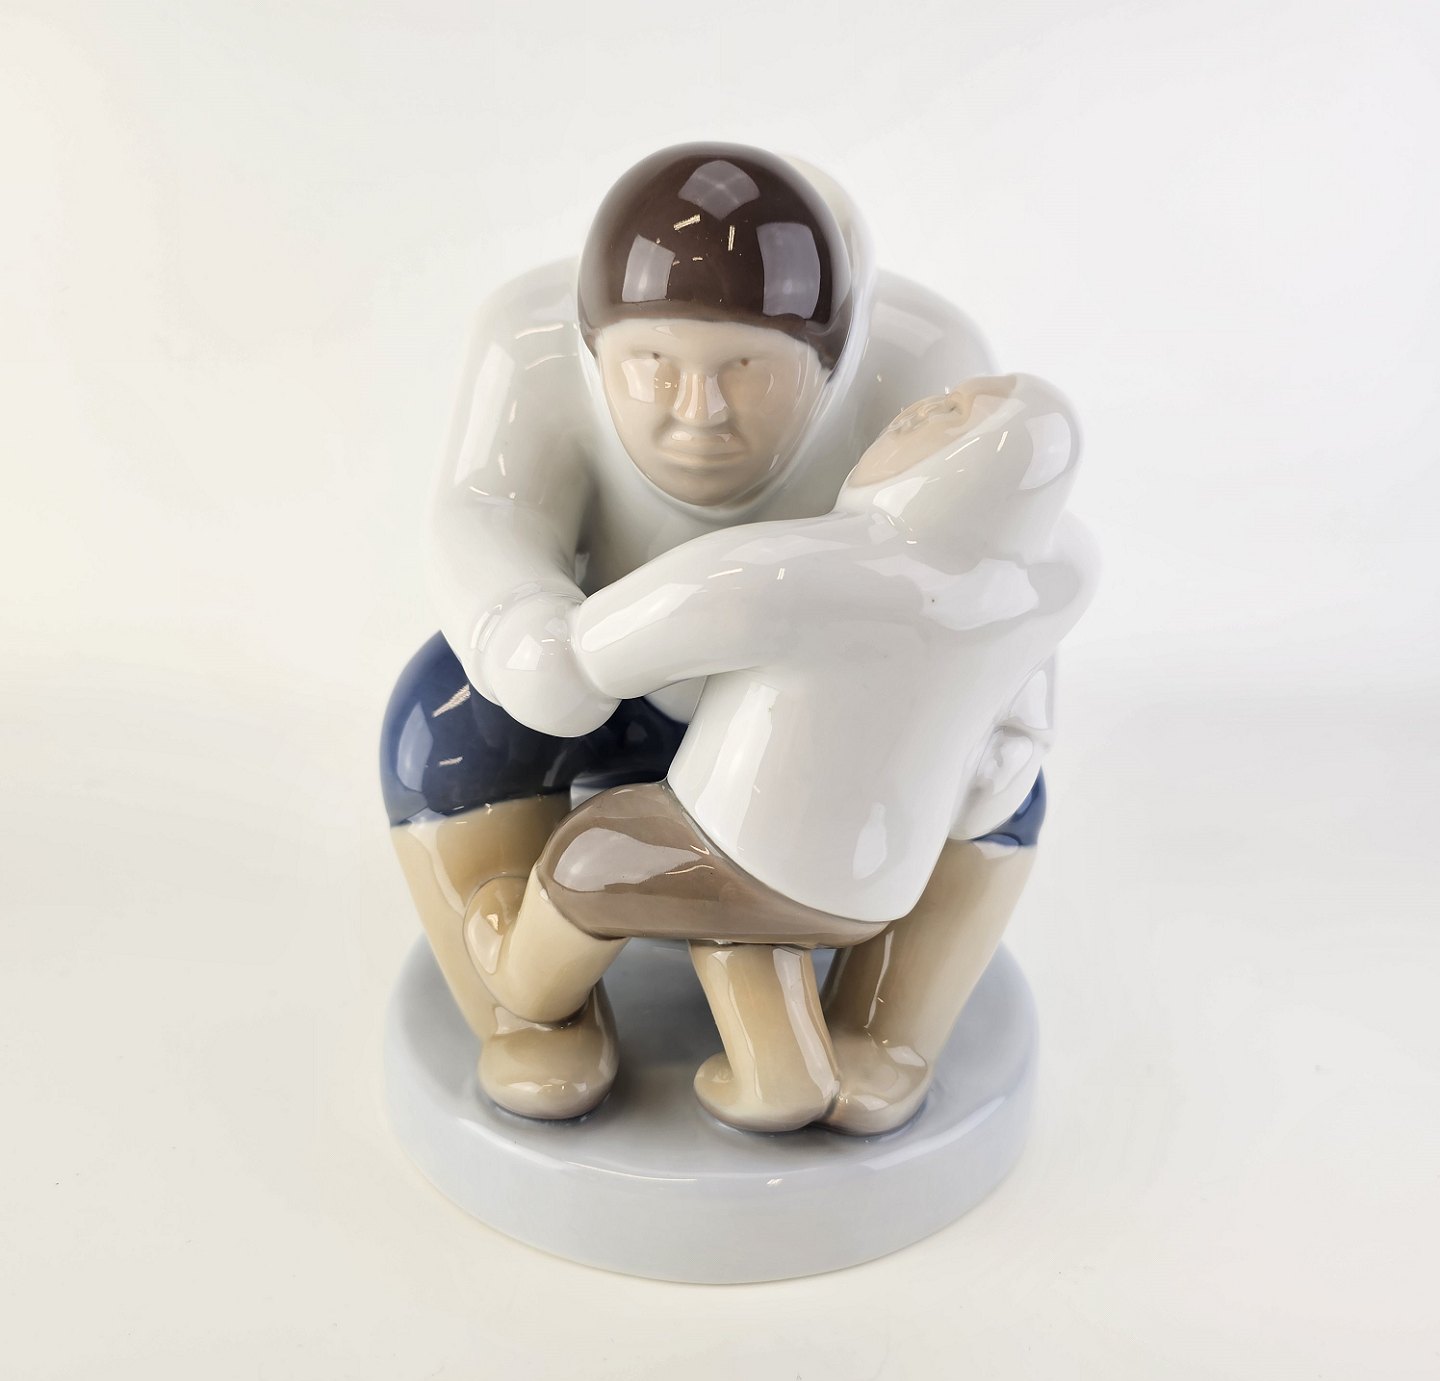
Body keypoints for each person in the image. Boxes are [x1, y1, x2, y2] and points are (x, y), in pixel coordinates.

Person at [381, 142, 995, 1119]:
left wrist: (1010, 729)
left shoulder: (926, 367)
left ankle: (887, 1023)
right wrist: (516, 629)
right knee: (441, 720)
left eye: (745, 370)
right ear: (594, 350)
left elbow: (989, 562)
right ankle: (530, 1011)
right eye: (653, 367)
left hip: (833, 714)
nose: (698, 413)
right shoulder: (526, 340)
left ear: (831, 362)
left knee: (989, 776)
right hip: (604, 679)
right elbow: (485, 507)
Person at [470, 375, 1097, 1133]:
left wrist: (556, 649)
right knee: (746, 923)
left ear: (958, 468)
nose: (916, 411)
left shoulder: (801, 568)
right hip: (883, 887)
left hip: (722, 848)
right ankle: (781, 1074)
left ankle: (525, 986)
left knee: (592, 856)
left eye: (949, 416)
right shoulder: (1054, 579)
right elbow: (1025, 707)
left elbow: (610, 643)